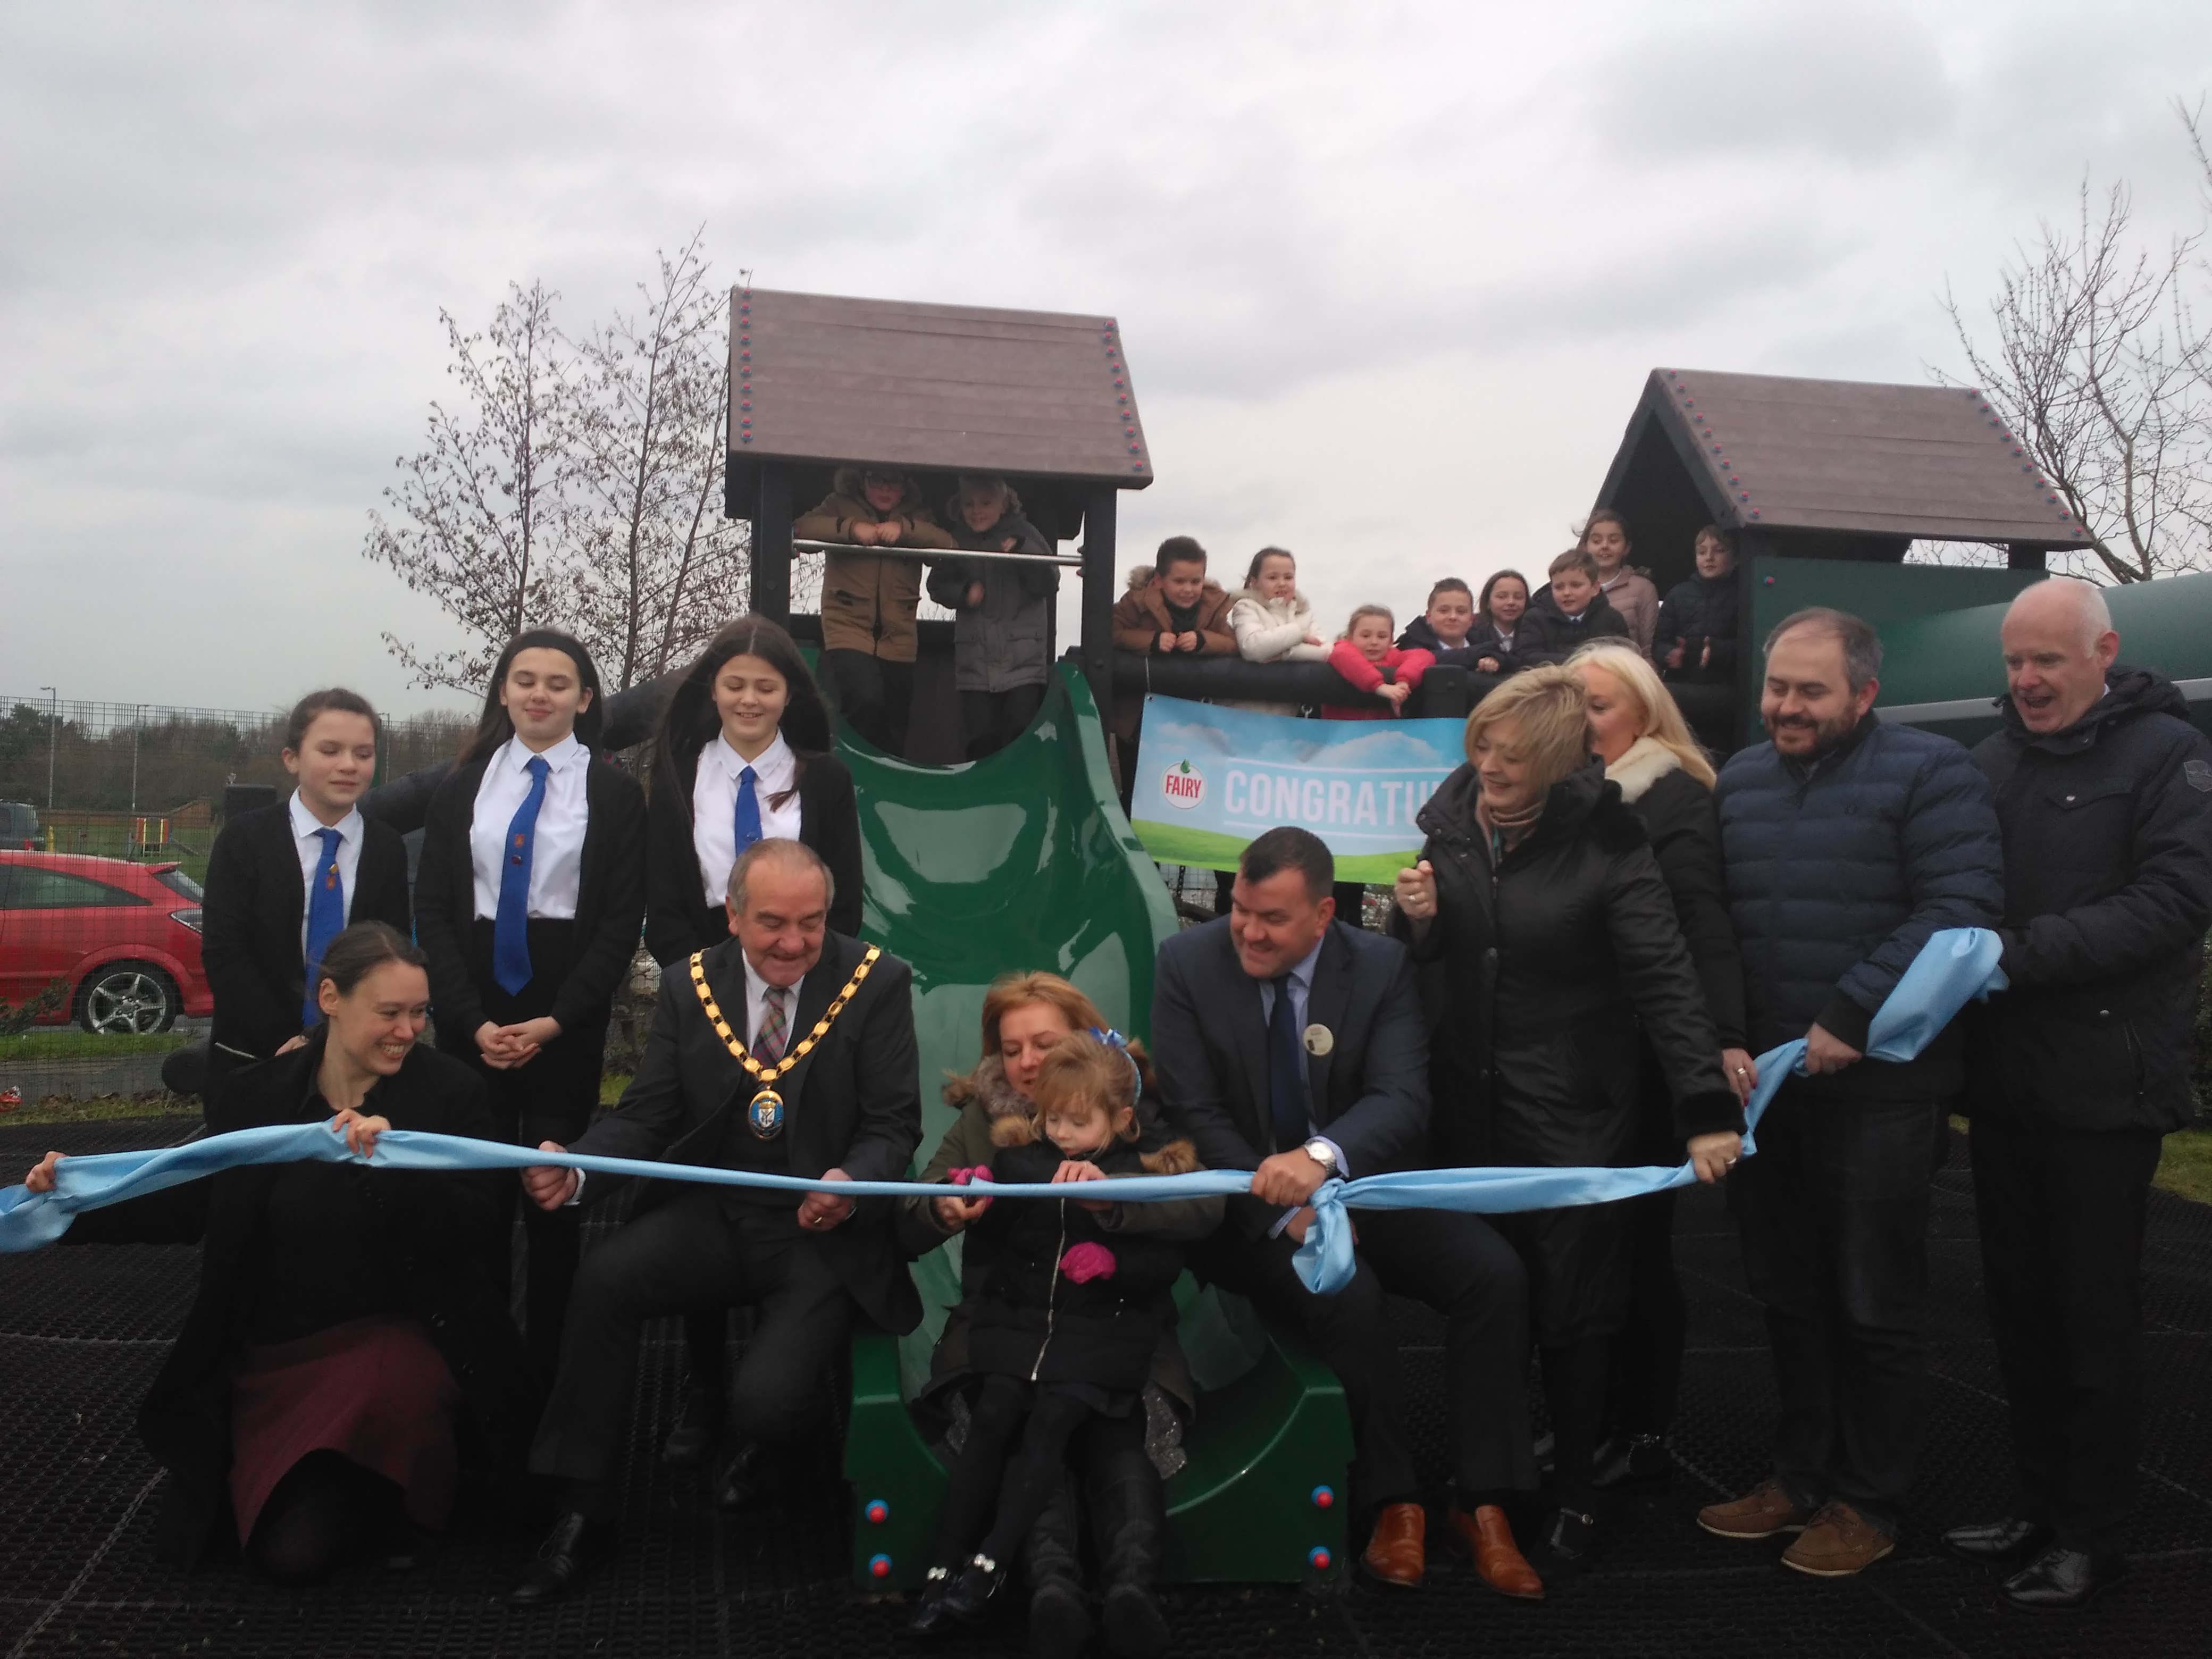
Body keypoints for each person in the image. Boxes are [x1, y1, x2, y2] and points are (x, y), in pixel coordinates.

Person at [22, 923, 529, 1583]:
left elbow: (477, 1231)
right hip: (283, 1354)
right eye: (389, 1013)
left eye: (419, 1013)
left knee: (304, 1549)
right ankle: (366, 1479)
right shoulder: (261, 1095)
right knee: (282, 1549)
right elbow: (191, 1197)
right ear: (330, 999)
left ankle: (412, 1490)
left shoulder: (449, 1094)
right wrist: (73, 1198)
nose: (408, 1031)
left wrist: (394, 1163)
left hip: (402, 1343)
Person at [509, 839, 920, 1605]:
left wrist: (852, 1181)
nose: (794, 943)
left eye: (812, 922)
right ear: (732, 915)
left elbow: (894, 1126)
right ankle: (582, 1511)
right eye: (771, 923)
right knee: (603, 1281)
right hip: (719, 1215)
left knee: (765, 1402)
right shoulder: (687, 985)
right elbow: (647, 1118)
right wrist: (578, 1168)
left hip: (817, 1231)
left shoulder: (877, 982)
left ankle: (773, 1444)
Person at [1392, 666, 1740, 1565]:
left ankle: (1580, 1488)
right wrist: (1421, 925)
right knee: (1492, 1291)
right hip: (1473, 1104)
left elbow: (1664, 972)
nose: (1491, 767)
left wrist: (1703, 1107)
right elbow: (1437, 961)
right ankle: (1502, 1475)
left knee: (1576, 1307)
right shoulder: (1448, 823)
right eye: (1483, 747)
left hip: (1577, 1108)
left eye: (1513, 757)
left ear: (1555, 764)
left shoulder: (1608, 840)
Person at [1151, 827, 1543, 1599]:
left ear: (1325, 914)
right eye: (1240, 911)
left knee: (1492, 1274)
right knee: (1347, 1291)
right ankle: (1391, 1501)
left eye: (1273, 919)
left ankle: (1484, 1500)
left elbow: (1401, 1099)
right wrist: (1280, 1203)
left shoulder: (1381, 967)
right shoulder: (1187, 963)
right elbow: (1192, 1111)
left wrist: (1321, 1165)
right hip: (1245, 1210)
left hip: (1360, 1188)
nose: (1249, 933)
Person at [1700, 607, 2002, 1578]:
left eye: (1809, 692)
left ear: (1865, 694)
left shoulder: (1931, 774)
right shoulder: (1739, 780)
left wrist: (1851, 1014)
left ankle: (1867, 1500)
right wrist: (1727, 1032)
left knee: (1874, 1304)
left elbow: (1960, 911)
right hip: (1769, 1094)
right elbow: (1720, 924)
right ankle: (1796, 1478)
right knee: (1785, 1295)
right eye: (1777, 687)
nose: (1784, 707)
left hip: (1880, 1094)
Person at [1946, 579, 2212, 1610]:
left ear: (2102, 653)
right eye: (2012, 662)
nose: (2023, 681)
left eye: (2045, 662)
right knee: (2016, 1310)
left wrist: (2013, 957)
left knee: (2091, 1321)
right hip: (2008, 1084)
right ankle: (2037, 1504)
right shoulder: (1995, 758)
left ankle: (2093, 1535)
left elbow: (2175, 900)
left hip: (2104, 1090)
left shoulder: (2167, 759)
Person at [897, 973, 1209, 1658]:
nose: (1027, 1063)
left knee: (1108, 1429)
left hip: (1116, 1322)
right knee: (1015, 1422)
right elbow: (912, 1207)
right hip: (1011, 1319)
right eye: (1011, 1050)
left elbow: (1203, 1205)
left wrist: (1115, 1204)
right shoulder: (991, 1119)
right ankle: (1052, 1589)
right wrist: (946, 1207)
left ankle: (1128, 1587)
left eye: (1043, 1043)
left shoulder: (1134, 1111)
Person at [644, 617, 867, 1469]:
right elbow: (667, 898)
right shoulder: (675, 773)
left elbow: (840, 906)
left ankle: (789, 1391)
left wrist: (805, 995)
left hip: (799, 983)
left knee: (789, 1176)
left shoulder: (827, 781)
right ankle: (705, 1389)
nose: (748, 699)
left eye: (765, 687)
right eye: (734, 684)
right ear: (714, 691)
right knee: (703, 1179)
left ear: (788, 697)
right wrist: (699, 995)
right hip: (705, 987)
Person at [412, 629, 648, 1380]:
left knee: (553, 1201)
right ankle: (478, 1363)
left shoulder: (612, 791)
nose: (540, 694)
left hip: (562, 1009)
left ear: (585, 699)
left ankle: (549, 1370)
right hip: (474, 1005)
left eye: (558, 682)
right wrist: (469, 1020)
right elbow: (437, 911)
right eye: (525, 680)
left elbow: (618, 922)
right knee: (473, 1198)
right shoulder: (463, 787)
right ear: (504, 693)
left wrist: (556, 1021)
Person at [1570, 644, 1755, 1488]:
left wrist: (1717, 1041)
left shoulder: (1673, 799)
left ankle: (1641, 1426)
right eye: (1571, 705)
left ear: (1641, 715)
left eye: (1598, 706)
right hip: (1576, 1054)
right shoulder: (1560, 796)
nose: (1581, 721)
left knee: (1638, 1247)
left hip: (1645, 1055)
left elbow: (1700, 925)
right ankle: (1589, 1417)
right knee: (1582, 1245)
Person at [200, 689, 412, 1096]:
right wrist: (285, 1041)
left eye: (363, 754)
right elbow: (225, 952)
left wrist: (346, 1042)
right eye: (330, 750)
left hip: (357, 1066)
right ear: (292, 758)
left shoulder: (385, 848)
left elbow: (389, 953)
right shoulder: (245, 839)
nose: (348, 765)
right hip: (255, 1060)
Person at [793, 465, 955, 755]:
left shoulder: (918, 514)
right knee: (864, 697)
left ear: (905, 486)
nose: (885, 488)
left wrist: (904, 530)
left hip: (899, 633)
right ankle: (854, 770)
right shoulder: (839, 504)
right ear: (862, 481)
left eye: (893, 482)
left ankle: (888, 781)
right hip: (847, 624)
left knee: (897, 715)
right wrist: (853, 529)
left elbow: (947, 547)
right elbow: (804, 529)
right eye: (876, 480)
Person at [924, 475, 1060, 760]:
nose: (977, 511)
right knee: (980, 735)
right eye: (969, 504)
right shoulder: (956, 540)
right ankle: (980, 794)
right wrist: (963, 592)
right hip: (976, 658)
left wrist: (1022, 551)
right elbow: (937, 585)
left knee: (1020, 729)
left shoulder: (1025, 533)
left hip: (1022, 659)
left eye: (986, 503)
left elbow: (1047, 583)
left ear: (1005, 504)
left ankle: (1018, 791)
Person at [1225, 545, 1328, 716]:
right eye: (1273, 577)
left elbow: (1326, 652)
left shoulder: (1305, 614)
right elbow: (1253, 648)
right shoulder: (1245, 607)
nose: (1282, 584)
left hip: (1287, 718)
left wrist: (1283, 654)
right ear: (1254, 582)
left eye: (1288, 577)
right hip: (1245, 714)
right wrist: (1299, 634)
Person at [1654, 526, 1740, 683]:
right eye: (1702, 552)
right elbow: (1660, 643)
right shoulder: (1677, 595)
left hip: (1728, 687)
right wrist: (1670, 654)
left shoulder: (1743, 595)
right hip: (1681, 685)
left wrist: (1717, 651)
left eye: (1719, 551)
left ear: (1736, 558)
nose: (1709, 557)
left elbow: (1751, 644)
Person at [1518, 550, 1632, 665]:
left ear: (1595, 588)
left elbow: (1624, 658)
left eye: (1576, 586)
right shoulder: (1535, 619)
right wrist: (1576, 662)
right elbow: (1528, 657)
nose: (1566, 593)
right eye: (1559, 587)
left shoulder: (1612, 619)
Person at [1322, 605, 1433, 720]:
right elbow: (1341, 654)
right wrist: (1379, 686)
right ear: (1350, 638)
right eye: (1365, 636)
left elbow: (1424, 656)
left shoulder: (1392, 657)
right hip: (1341, 732)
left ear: (1391, 641)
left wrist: (1403, 682)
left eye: (1382, 636)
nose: (1374, 642)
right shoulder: (1342, 651)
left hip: (1380, 733)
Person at [1579, 509, 1660, 658]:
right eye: (1597, 541)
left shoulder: (1643, 588)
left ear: (1626, 548)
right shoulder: (1570, 587)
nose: (1605, 546)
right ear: (1585, 547)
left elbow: (1649, 649)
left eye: (1614, 540)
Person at [1398, 577, 1480, 667]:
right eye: (1444, 611)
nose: (1453, 617)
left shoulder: (1491, 655)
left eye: (1461, 611)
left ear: (1472, 619)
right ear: (1428, 617)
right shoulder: (1408, 651)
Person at [1469, 570, 1531, 677]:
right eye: (1502, 597)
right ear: (1488, 602)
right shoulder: (1472, 634)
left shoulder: (1534, 634)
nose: (1511, 602)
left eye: (1518, 597)